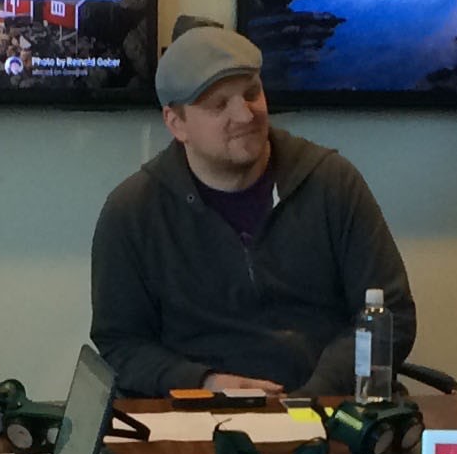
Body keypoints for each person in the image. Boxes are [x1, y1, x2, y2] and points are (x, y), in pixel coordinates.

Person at [90, 20, 414, 397]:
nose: (245, 115)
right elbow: (120, 345)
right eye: (219, 105)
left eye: (252, 93)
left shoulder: (332, 183)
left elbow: (393, 316)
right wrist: (203, 382)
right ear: (177, 123)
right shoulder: (132, 211)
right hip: (198, 416)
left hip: (326, 406)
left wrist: (314, 397)